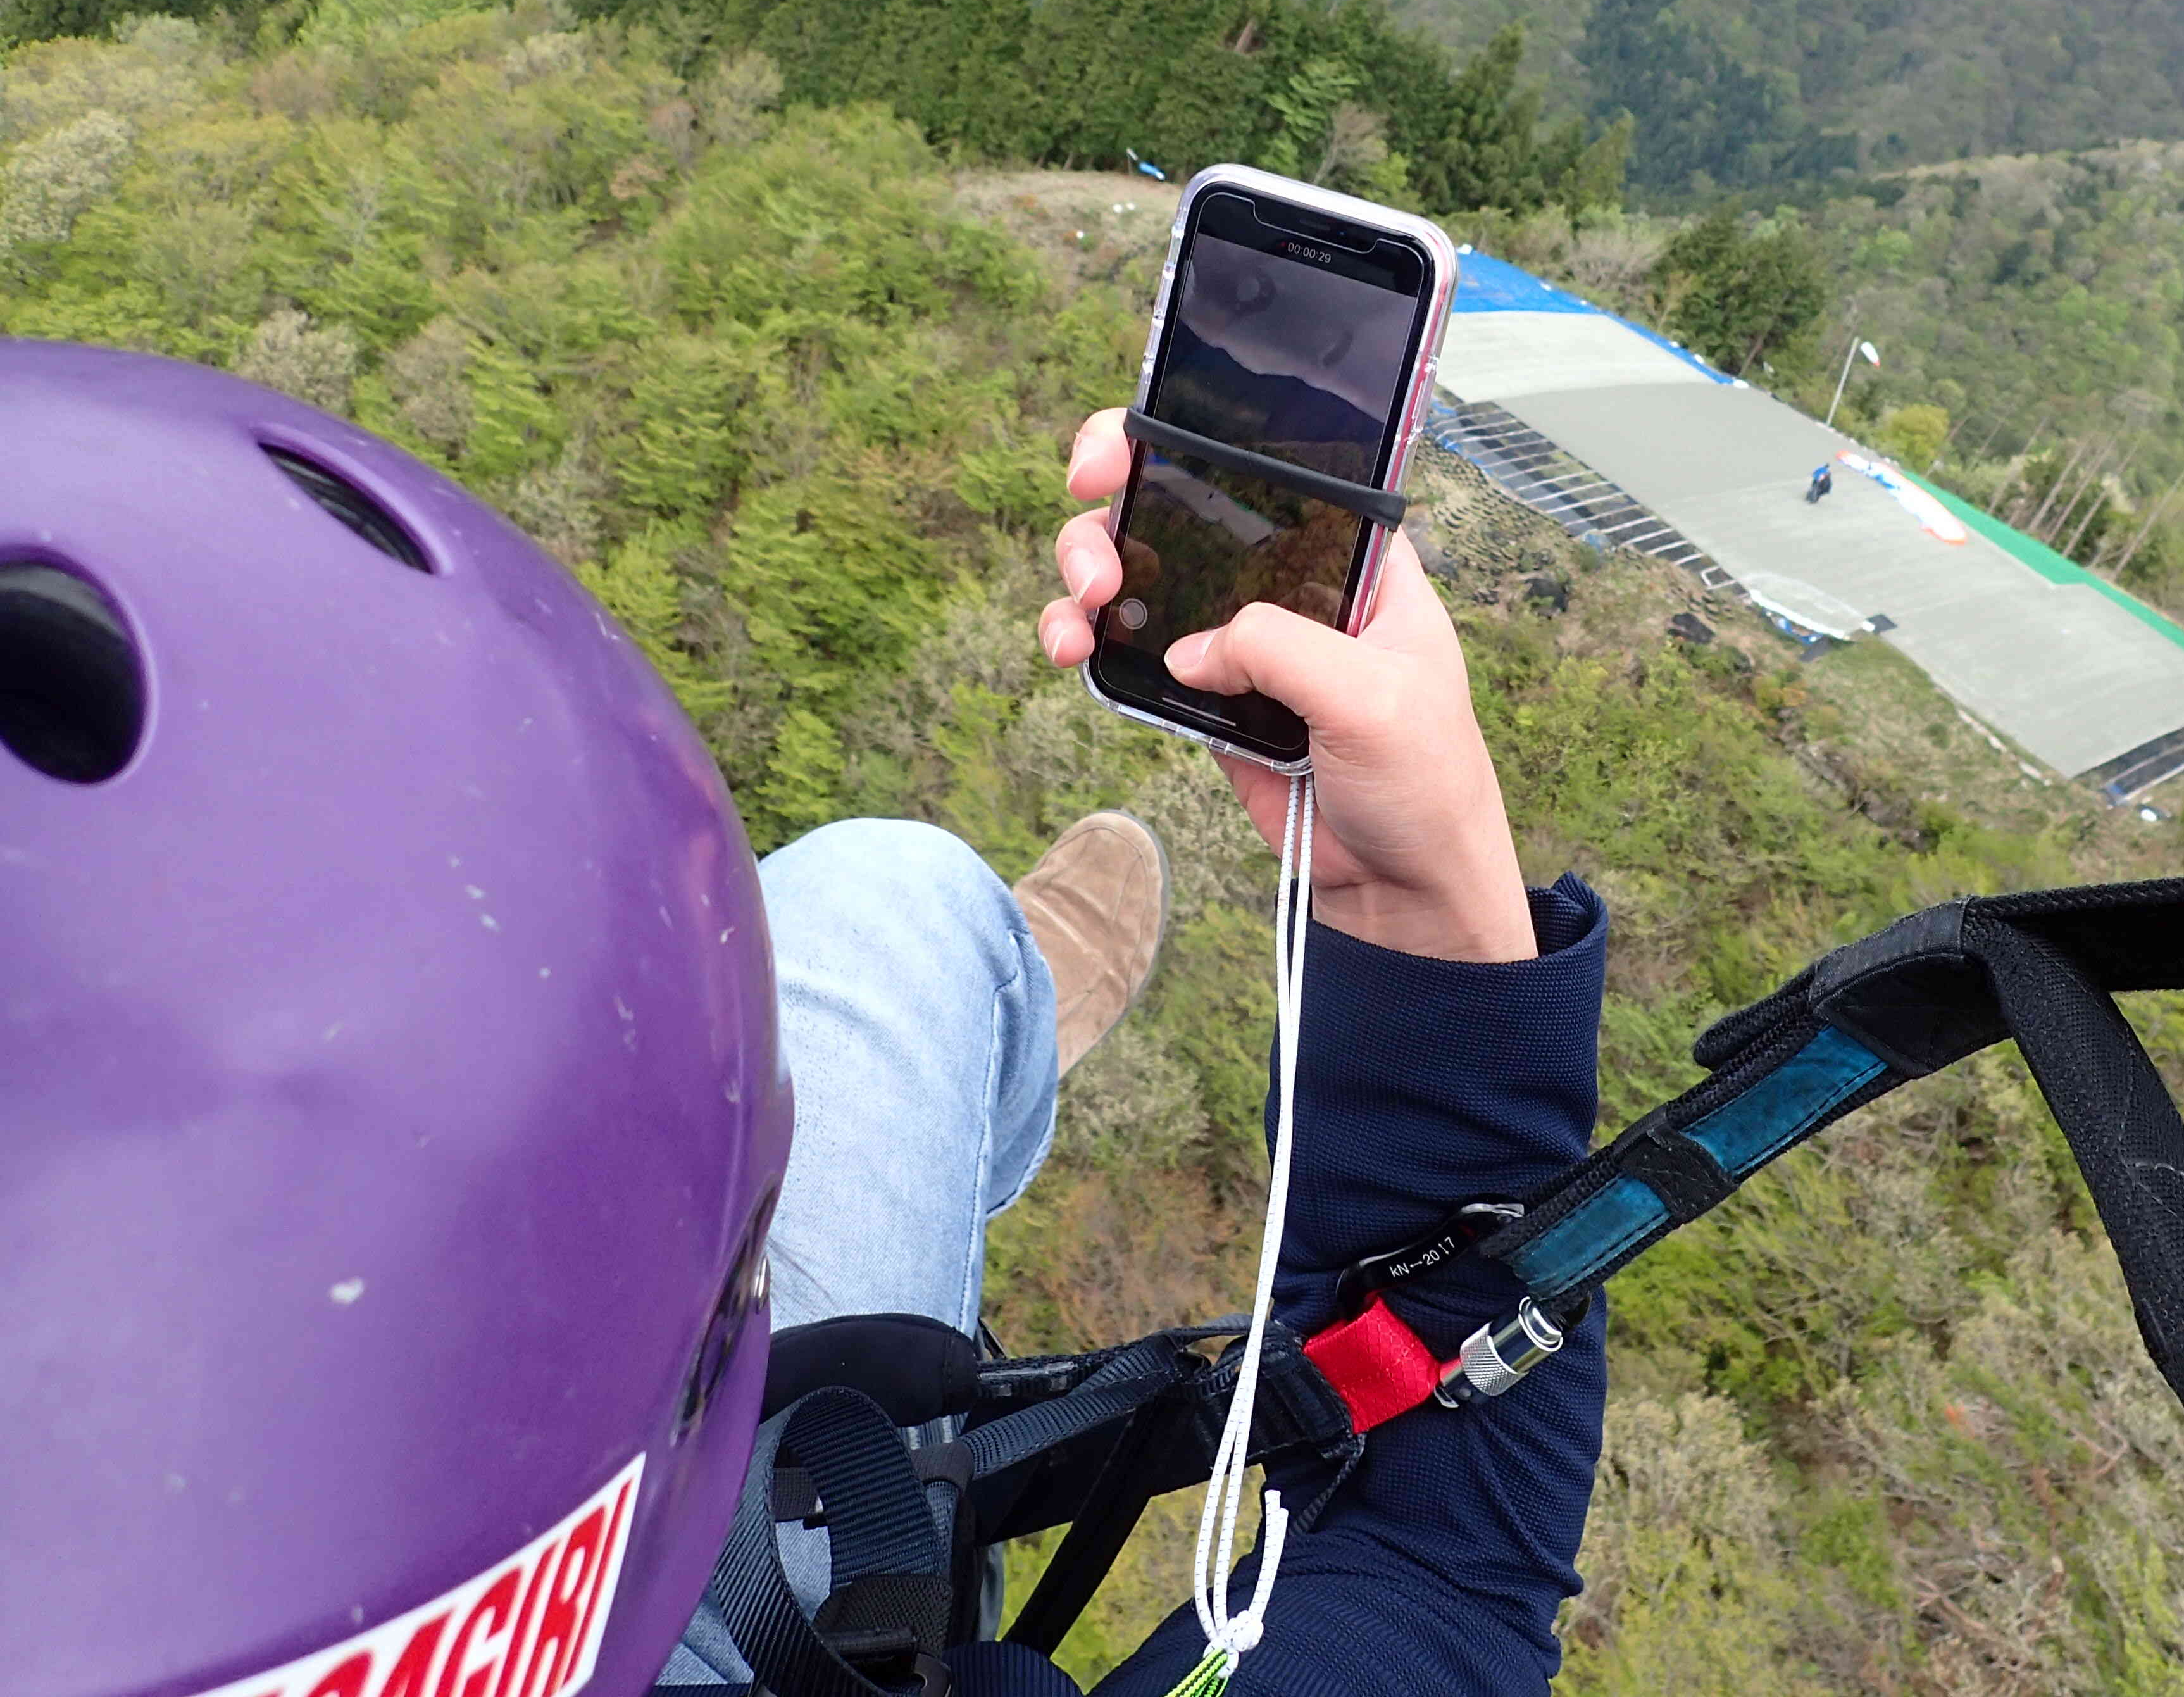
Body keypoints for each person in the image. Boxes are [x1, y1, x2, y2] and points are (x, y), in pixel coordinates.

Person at [6, 347, 1606, 1697]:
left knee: (888, 898)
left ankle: (967, 1024)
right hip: (751, 1585)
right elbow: (1440, 1564)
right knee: (896, 916)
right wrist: (1426, 909)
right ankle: (974, 1044)